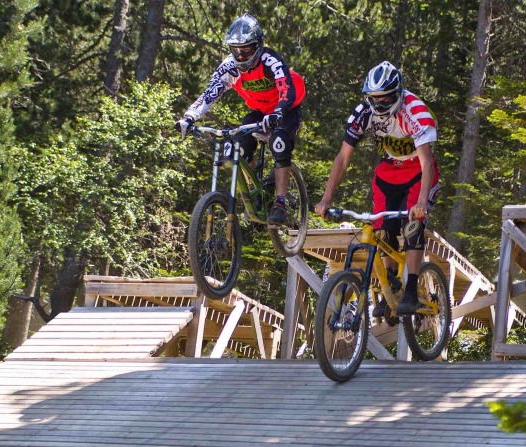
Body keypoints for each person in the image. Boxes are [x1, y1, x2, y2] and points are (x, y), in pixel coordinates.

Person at [315, 61, 440, 316]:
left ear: (397, 93)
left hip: (419, 172)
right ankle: (390, 286)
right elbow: (343, 157)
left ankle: (412, 289)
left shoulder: (415, 111)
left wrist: (422, 203)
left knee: (413, 228)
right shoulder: (363, 112)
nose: (380, 105)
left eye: (386, 100)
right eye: (375, 99)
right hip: (389, 172)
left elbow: (427, 162)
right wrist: (326, 199)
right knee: (382, 231)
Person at [175, 13, 306, 225]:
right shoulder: (229, 67)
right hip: (259, 111)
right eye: (235, 50)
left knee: (279, 143)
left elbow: (285, 88)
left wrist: (278, 112)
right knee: (237, 149)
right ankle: (258, 187)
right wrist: (189, 116)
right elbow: (210, 94)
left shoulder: (270, 60)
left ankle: (280, 202)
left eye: (245, 50)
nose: (241, 55)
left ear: (257, 46)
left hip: (286, 108)